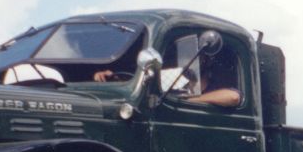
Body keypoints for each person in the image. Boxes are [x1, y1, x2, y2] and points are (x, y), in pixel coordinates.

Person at [93, 51, 241, 108]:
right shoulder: (176, 85)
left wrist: (191, 101)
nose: (188, 61)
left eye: (198, 58)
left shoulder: (216, 87)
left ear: (207, 62)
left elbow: (233, 97)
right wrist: (114, 78)